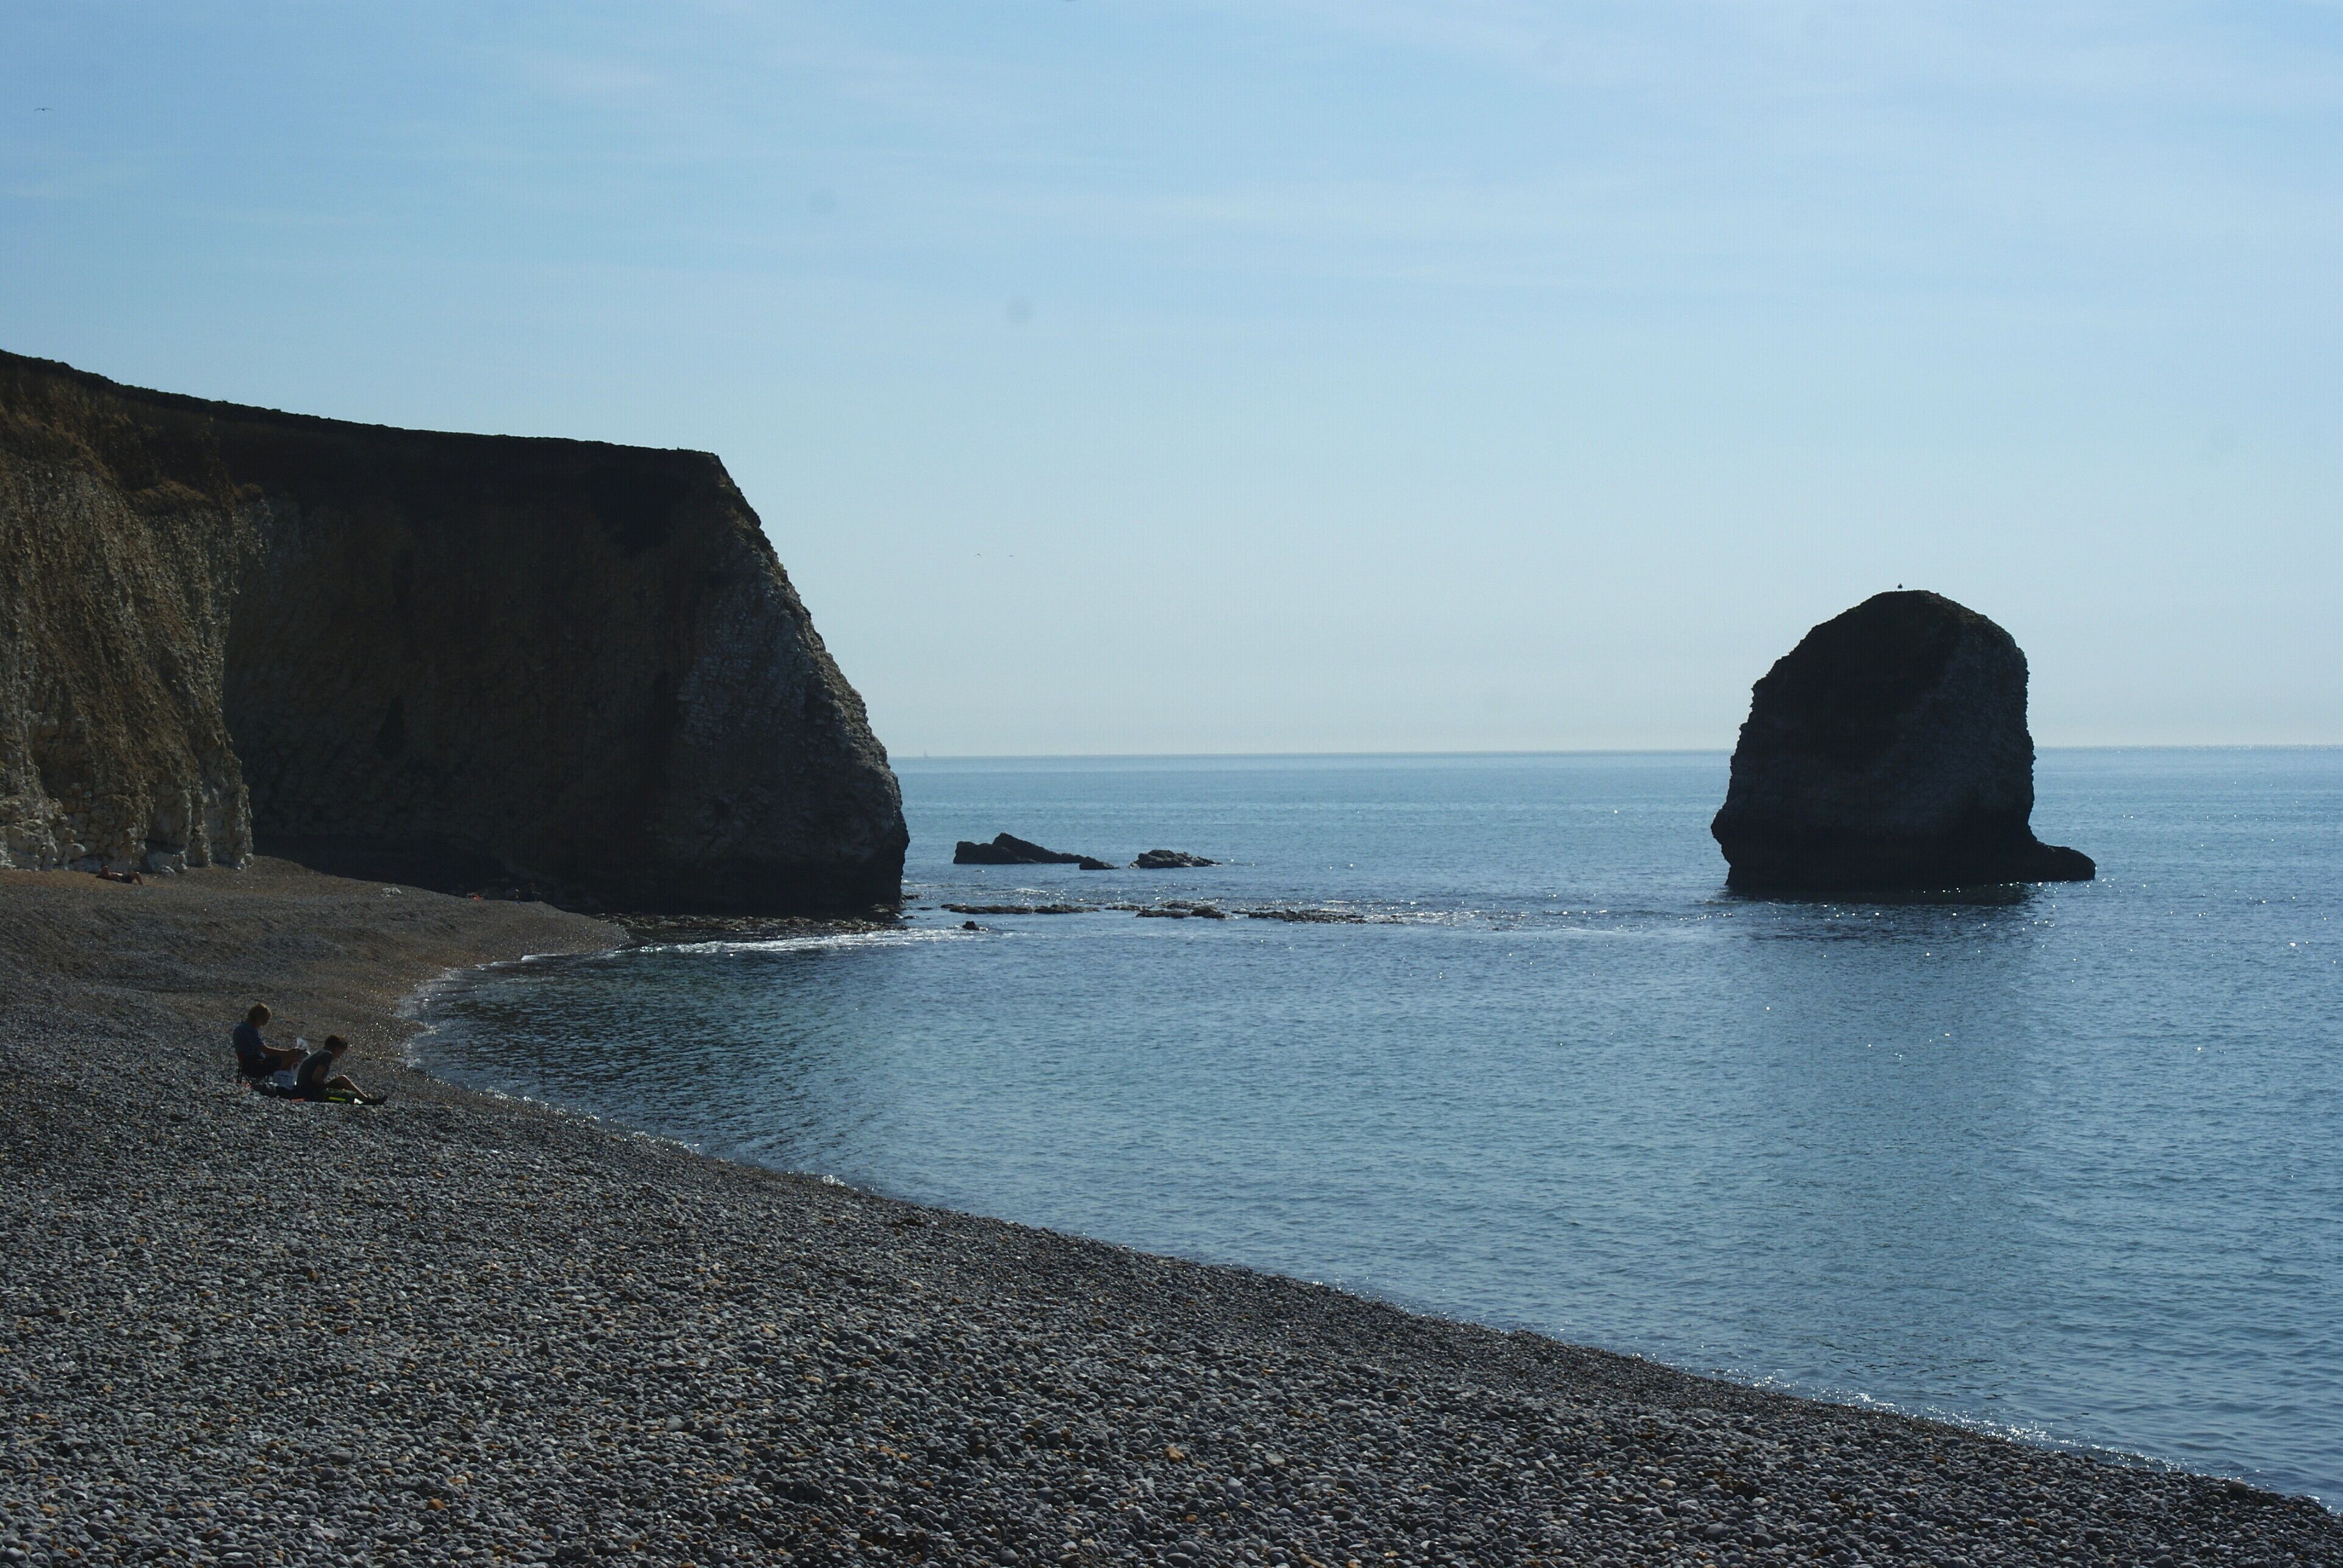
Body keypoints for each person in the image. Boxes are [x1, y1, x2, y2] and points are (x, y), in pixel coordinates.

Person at [294, 1035, 383, 1104]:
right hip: (309, 1092)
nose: (340, 1056)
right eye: (341, 1052)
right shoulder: (327, 1055)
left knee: (341, 1083)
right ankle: (367, 1100)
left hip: (302, 1089)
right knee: (343, 1080)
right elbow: (316, 1078)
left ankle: (366, 1099)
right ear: (337, 1048)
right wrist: (326, 1087)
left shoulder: (320, 1052)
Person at [231, 1005, 303, 1085]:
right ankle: (284, 1084)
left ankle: (283, 1083)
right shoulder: (250, 1030)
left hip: (247, 1064)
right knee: (294, 1057)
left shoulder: (242, 1027)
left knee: (286, 1056)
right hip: (254, 1066)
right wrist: (288, 1052)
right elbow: (265, 1050)